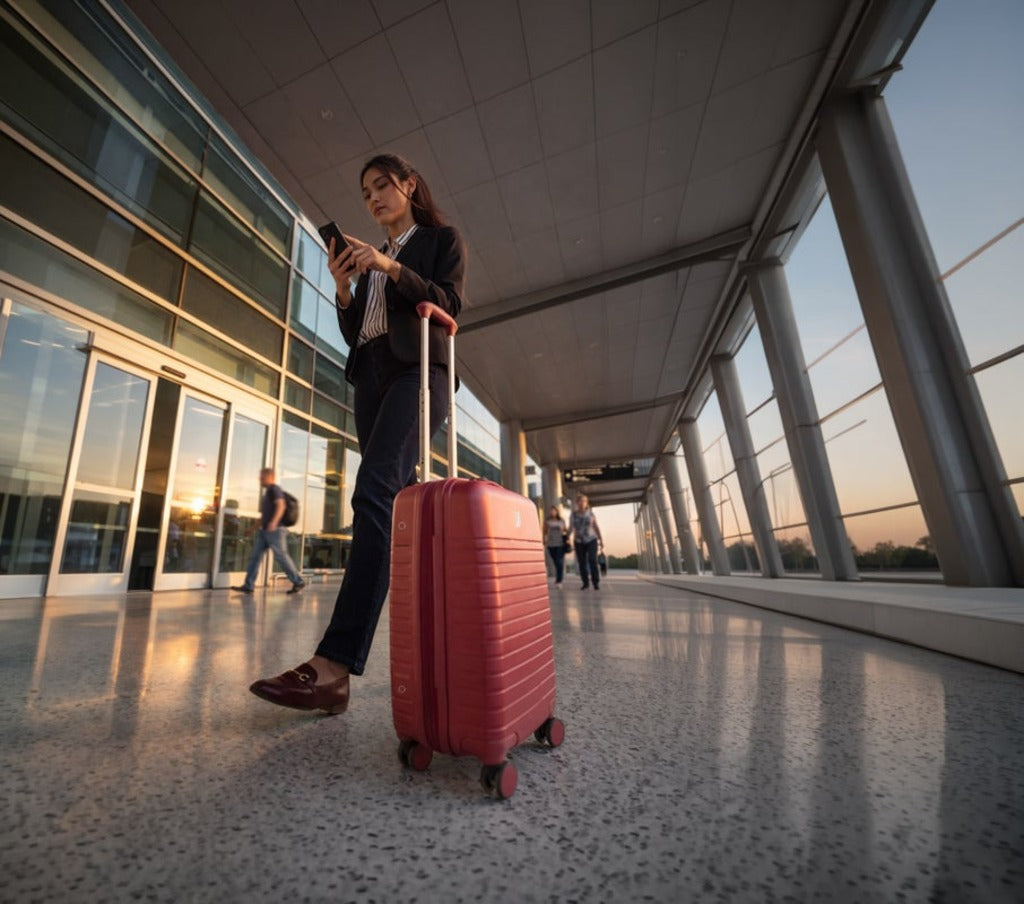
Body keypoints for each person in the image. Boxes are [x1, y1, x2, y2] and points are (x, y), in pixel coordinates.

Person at [249, 153, 465, 715]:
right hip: (369, 378)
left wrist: (390, 270)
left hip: (418, 373)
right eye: (366, 193)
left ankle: (333, 665)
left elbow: (449, 303)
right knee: (390, 508)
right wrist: (345, 288)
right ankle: (358, 667)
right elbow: (356, 332)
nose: (372, 200)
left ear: (409, 185)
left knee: (373, 493)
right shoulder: (371, 257)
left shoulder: (438, 241)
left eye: (381, 186)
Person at [231, 468, 305, 594]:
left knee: (281, 556)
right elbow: (264, 515)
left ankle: (298, 581)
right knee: (255, 557)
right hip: (264, 531)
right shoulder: (267, 493)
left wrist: (274, 522)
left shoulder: (274, 489)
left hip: (275, 531)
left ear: (270, 477)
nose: (260, 479)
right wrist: (252, 528)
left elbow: (281, 505)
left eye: (262, 477)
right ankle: (248, 585)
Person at [567, 493, 603, 590]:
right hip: (579, 541)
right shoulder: (573, 515)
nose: (582, 503)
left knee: (592, 560)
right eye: (580, 501)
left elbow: (596, 526)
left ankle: (595, 582)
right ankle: (585, 583)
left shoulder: (591, 514)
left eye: (584, 501)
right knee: (582, 562)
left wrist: (601, 540)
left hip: (591, 539)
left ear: (586, 503)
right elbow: (570, 528)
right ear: (577, 503)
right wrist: (566, 537)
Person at [544, 506, 568, 588]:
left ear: (557, 512)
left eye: (554, 511)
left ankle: (559, 580)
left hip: (560, 544)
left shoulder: (561, 520)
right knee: (555, 562)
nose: (552, 512)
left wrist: (562, 529)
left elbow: (565, 531)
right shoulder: (547, 521)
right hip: (551, 544)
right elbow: (545, 532)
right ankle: (558, 579)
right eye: (551, 511)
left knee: (559, 562)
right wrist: (544, 541)